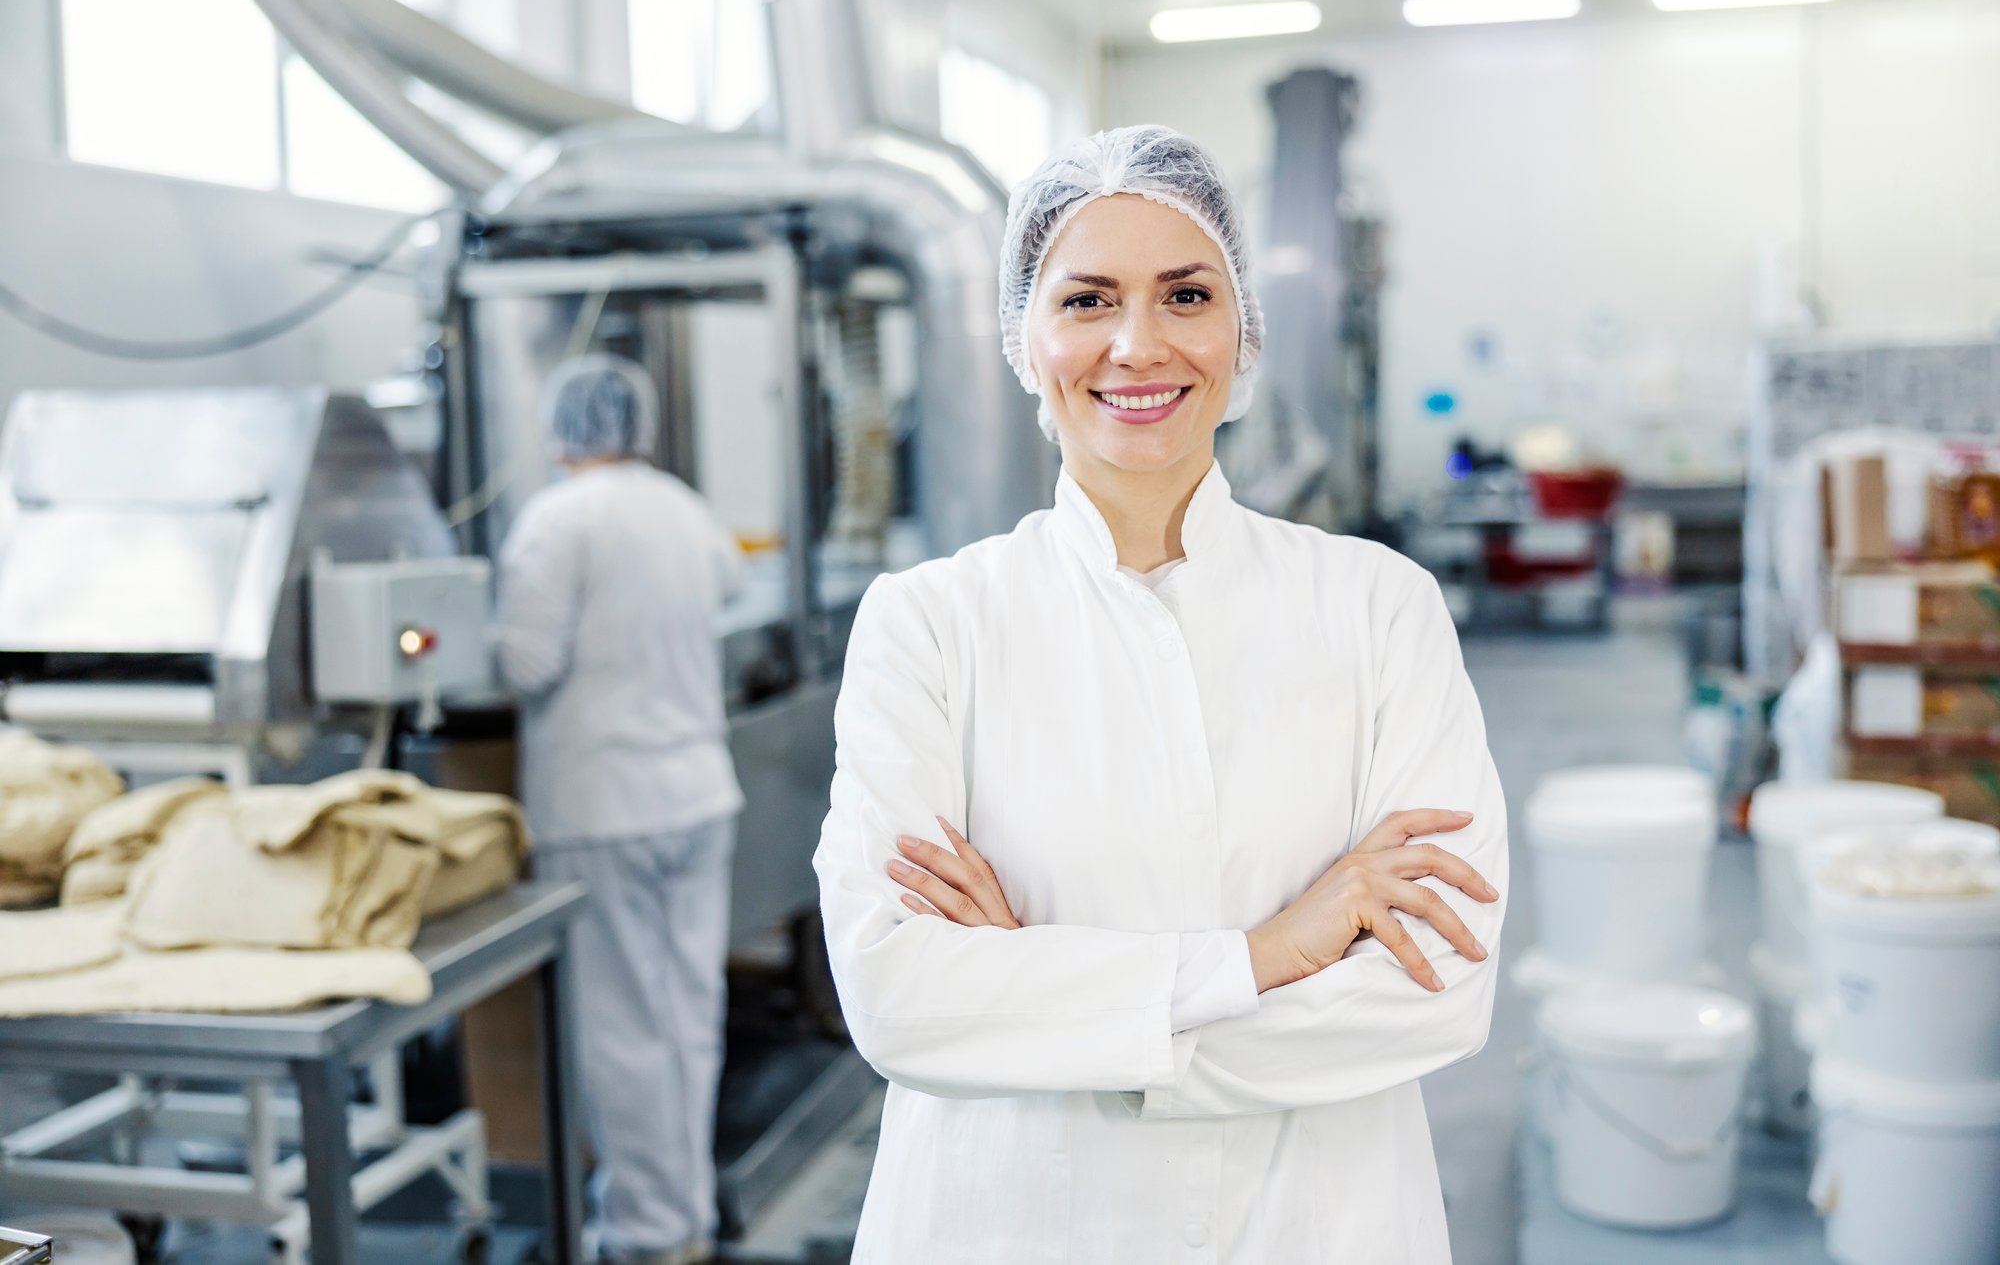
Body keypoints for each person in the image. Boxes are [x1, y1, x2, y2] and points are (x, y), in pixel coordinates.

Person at [813, 125, 1508, 1263]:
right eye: (1085, 300)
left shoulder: (1378, 607)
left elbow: (1436, 982)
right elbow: (900, 996)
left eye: (1185, 294)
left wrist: (1057, 1018)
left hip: (1316, 1224)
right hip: (1011, 1223)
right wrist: (1273, 950)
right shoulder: (929, 623)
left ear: (1241, 334)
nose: (1136, 345)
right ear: (1021, 339)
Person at [495, 353, 746, 1265]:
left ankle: (648, 1232)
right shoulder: (682, 505)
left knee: (624, 1028)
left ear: (561, 429)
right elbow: (729, 587)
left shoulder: (556, 521)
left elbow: (526, 662)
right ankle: (685, 1218)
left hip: (604, 803)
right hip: (697, 794)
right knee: (687, 1017)